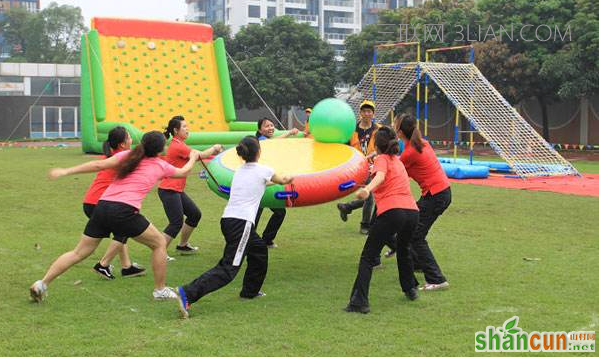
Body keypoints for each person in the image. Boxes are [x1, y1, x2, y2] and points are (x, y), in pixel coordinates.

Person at [30, 131, 201, 303]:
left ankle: (42, 284)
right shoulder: (160, 165)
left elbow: (98, 165)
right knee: (159, 244)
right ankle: (160, 290)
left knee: (78, 252)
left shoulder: (128, 155)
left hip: (102, 207)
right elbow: (184, 172)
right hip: (124, 211)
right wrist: (193, 156)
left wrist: (66, 171)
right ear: (159, 150)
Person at [174, 136, 294, 318]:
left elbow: (263, 182)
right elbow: (284, 179)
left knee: (259, 251)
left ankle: (250, 291)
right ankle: (187, 293)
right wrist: (296, 174)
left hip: (230, 220)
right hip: (241, 223)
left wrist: (278, 180)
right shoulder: (263, 170)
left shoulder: (241, 171)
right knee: (229, 268)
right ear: (259, 152)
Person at [345, 126, 420, 314]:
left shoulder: (381, 160)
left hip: (393, 211)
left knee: (368, 256)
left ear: (376, 145)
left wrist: (367, 190)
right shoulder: (397, 161)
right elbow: (384, 175)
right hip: (412, 212)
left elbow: (380, 176)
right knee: (403, 249)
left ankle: (359, 302)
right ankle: (410, 289)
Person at [385, 113, 451, 291]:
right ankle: (417, 264)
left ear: (400, 132)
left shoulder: (410, 152)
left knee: (416, 236)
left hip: (435, 195)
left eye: (394, 125)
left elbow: (394, 169)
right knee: (410, 226)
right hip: (438, 193)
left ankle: (437, 279)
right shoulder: (422, 143)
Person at [84, 126, 146, 280]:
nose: (132, 138)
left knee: (121, 233)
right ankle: (103, 265)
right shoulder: (123, 158)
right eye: (129, 137)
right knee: (123, 230)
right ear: (122, 144)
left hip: (91, 202)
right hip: (100, 204)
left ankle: (126, 267)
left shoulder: (112, 156)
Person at [159, 116, 223, 259]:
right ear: (176, 130)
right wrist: (214, 148)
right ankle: (160, 252)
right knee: (175, 223)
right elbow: (199, 155)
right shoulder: (178, 145)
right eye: (184, 127)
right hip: (169, 190)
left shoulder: (179, 143)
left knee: (194, 214)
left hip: (175, 190)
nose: (188, 129)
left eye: (188, 126)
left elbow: (195, 155)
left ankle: (183, 245)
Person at [336, 100, 381, 234]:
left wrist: (376, 153)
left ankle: (346, 207)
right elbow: (344, 148)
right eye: (364, 111)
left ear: (373, 114)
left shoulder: (379, 129)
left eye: (369, 111)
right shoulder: (351, 130)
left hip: (375, 165)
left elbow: (387, 143)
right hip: (358, 167)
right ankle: (365, 225)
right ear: (360, 113)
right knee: (370, 197)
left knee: (370, 196)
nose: (367, 113)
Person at [254, 118, 298, 248]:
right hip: (258, 183)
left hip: (268, 183)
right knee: (256, 213)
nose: (271, 128)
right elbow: (274, 143)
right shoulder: (261, 141)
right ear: (260, 130)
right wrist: (290, 133)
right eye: (267, 126)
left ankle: (267, 239)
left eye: (272, 125)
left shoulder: (267, 140)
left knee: (280, 212)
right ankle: (249, 239)